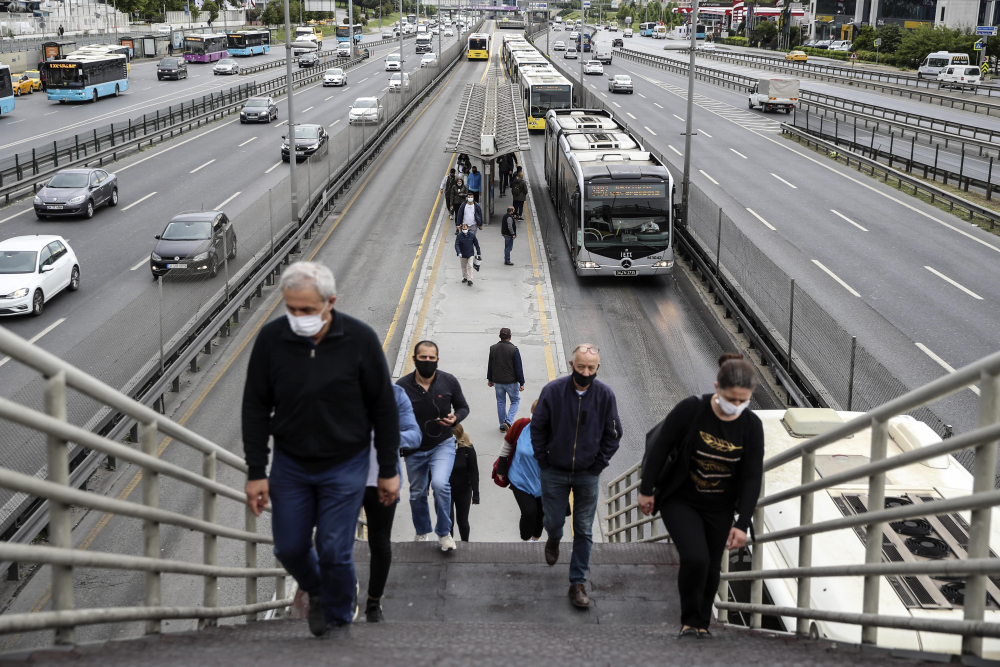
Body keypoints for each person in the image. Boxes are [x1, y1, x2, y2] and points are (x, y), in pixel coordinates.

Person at [242, 262, 400, 637]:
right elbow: (255, 406)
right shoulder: (271, 340)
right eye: (290, 308)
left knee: (333, 549)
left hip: (345, 464)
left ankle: (341, 611)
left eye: (307, 310)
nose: (298, 317)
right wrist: (255, 471)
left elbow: (383, 407)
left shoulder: (360, 340)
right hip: (290, 464)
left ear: (330, 302)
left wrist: (388, 469)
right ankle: (316, 590)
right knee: (290, 547)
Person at [637, 353, 764, 638]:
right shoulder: (691, 409)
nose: (737, 406)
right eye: (731, 398)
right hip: (680, 499)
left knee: (710, 569)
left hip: (720, 506)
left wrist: (742, 523)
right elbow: (660, 448)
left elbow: (752, 475)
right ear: (717, 387)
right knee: (696, 558)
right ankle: (688, 620)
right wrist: (646, 490)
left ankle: (702, 624)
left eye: (744, 401)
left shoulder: (751, 425)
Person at [532, 344, 622, 609]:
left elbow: (613, 434)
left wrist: (598, 465)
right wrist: (544, 460)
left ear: (597, 368)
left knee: (584, 528)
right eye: (580, 366)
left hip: (587, 474)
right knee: (554, 519)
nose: (585, 372)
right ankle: (554, 537)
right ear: (571, 365)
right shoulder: (552, 392)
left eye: (590, 368)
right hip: (554, 471)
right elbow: (537, 428)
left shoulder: (605, 396)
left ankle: (577, 583)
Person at [396, 341, 470, 552]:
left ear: (437, 359)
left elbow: (463, 406)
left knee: (440, 484)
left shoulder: (449, 381)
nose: (427, 361)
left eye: (431, 358)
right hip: (414, 449)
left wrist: (455, 418)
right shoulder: (402, 386)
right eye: (423, 357)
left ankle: (444, 533)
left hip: (442, 444)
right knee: (417, 492)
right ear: (414, 359)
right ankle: (422, 531)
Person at [363, 383, 421, 623]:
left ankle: (373, 603)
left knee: (379, 542)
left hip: (383, 480)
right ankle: (339, 595)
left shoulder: (395, 394)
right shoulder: (335, 387)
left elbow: (414, 435)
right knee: (336, 540)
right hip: (343, 479)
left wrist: (388, 436)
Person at [497, 401, 543, 542]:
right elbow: (507, 444)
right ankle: (525, 540)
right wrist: (501, 468)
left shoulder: (557, 431)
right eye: (535, 413)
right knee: (529, 512)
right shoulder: (521, 425)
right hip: (520, 478)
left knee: (541, 513)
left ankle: (535, 540)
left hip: (543, 482)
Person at [487, 327, 524, 432]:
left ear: (499, 336)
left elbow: (490, 365)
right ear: (510, 337)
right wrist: (521, 382)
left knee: (500, 402)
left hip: (498, 381)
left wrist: (490, 379)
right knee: (515, 400)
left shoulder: (493, 348)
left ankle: (502, 426)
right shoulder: (514, 350)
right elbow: (518, 368)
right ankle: (508, 421)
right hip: (511, 382)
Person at [449, 424, 480, 542]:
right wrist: (427, 485)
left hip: (463, 490)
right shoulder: (441, 448)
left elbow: (474, 471)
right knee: (448, 521)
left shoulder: (468, 449)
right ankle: (449, 544)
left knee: (462, 521)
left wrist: (475, 494)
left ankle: (465, 544)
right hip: (446, 489)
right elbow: (432, 467)